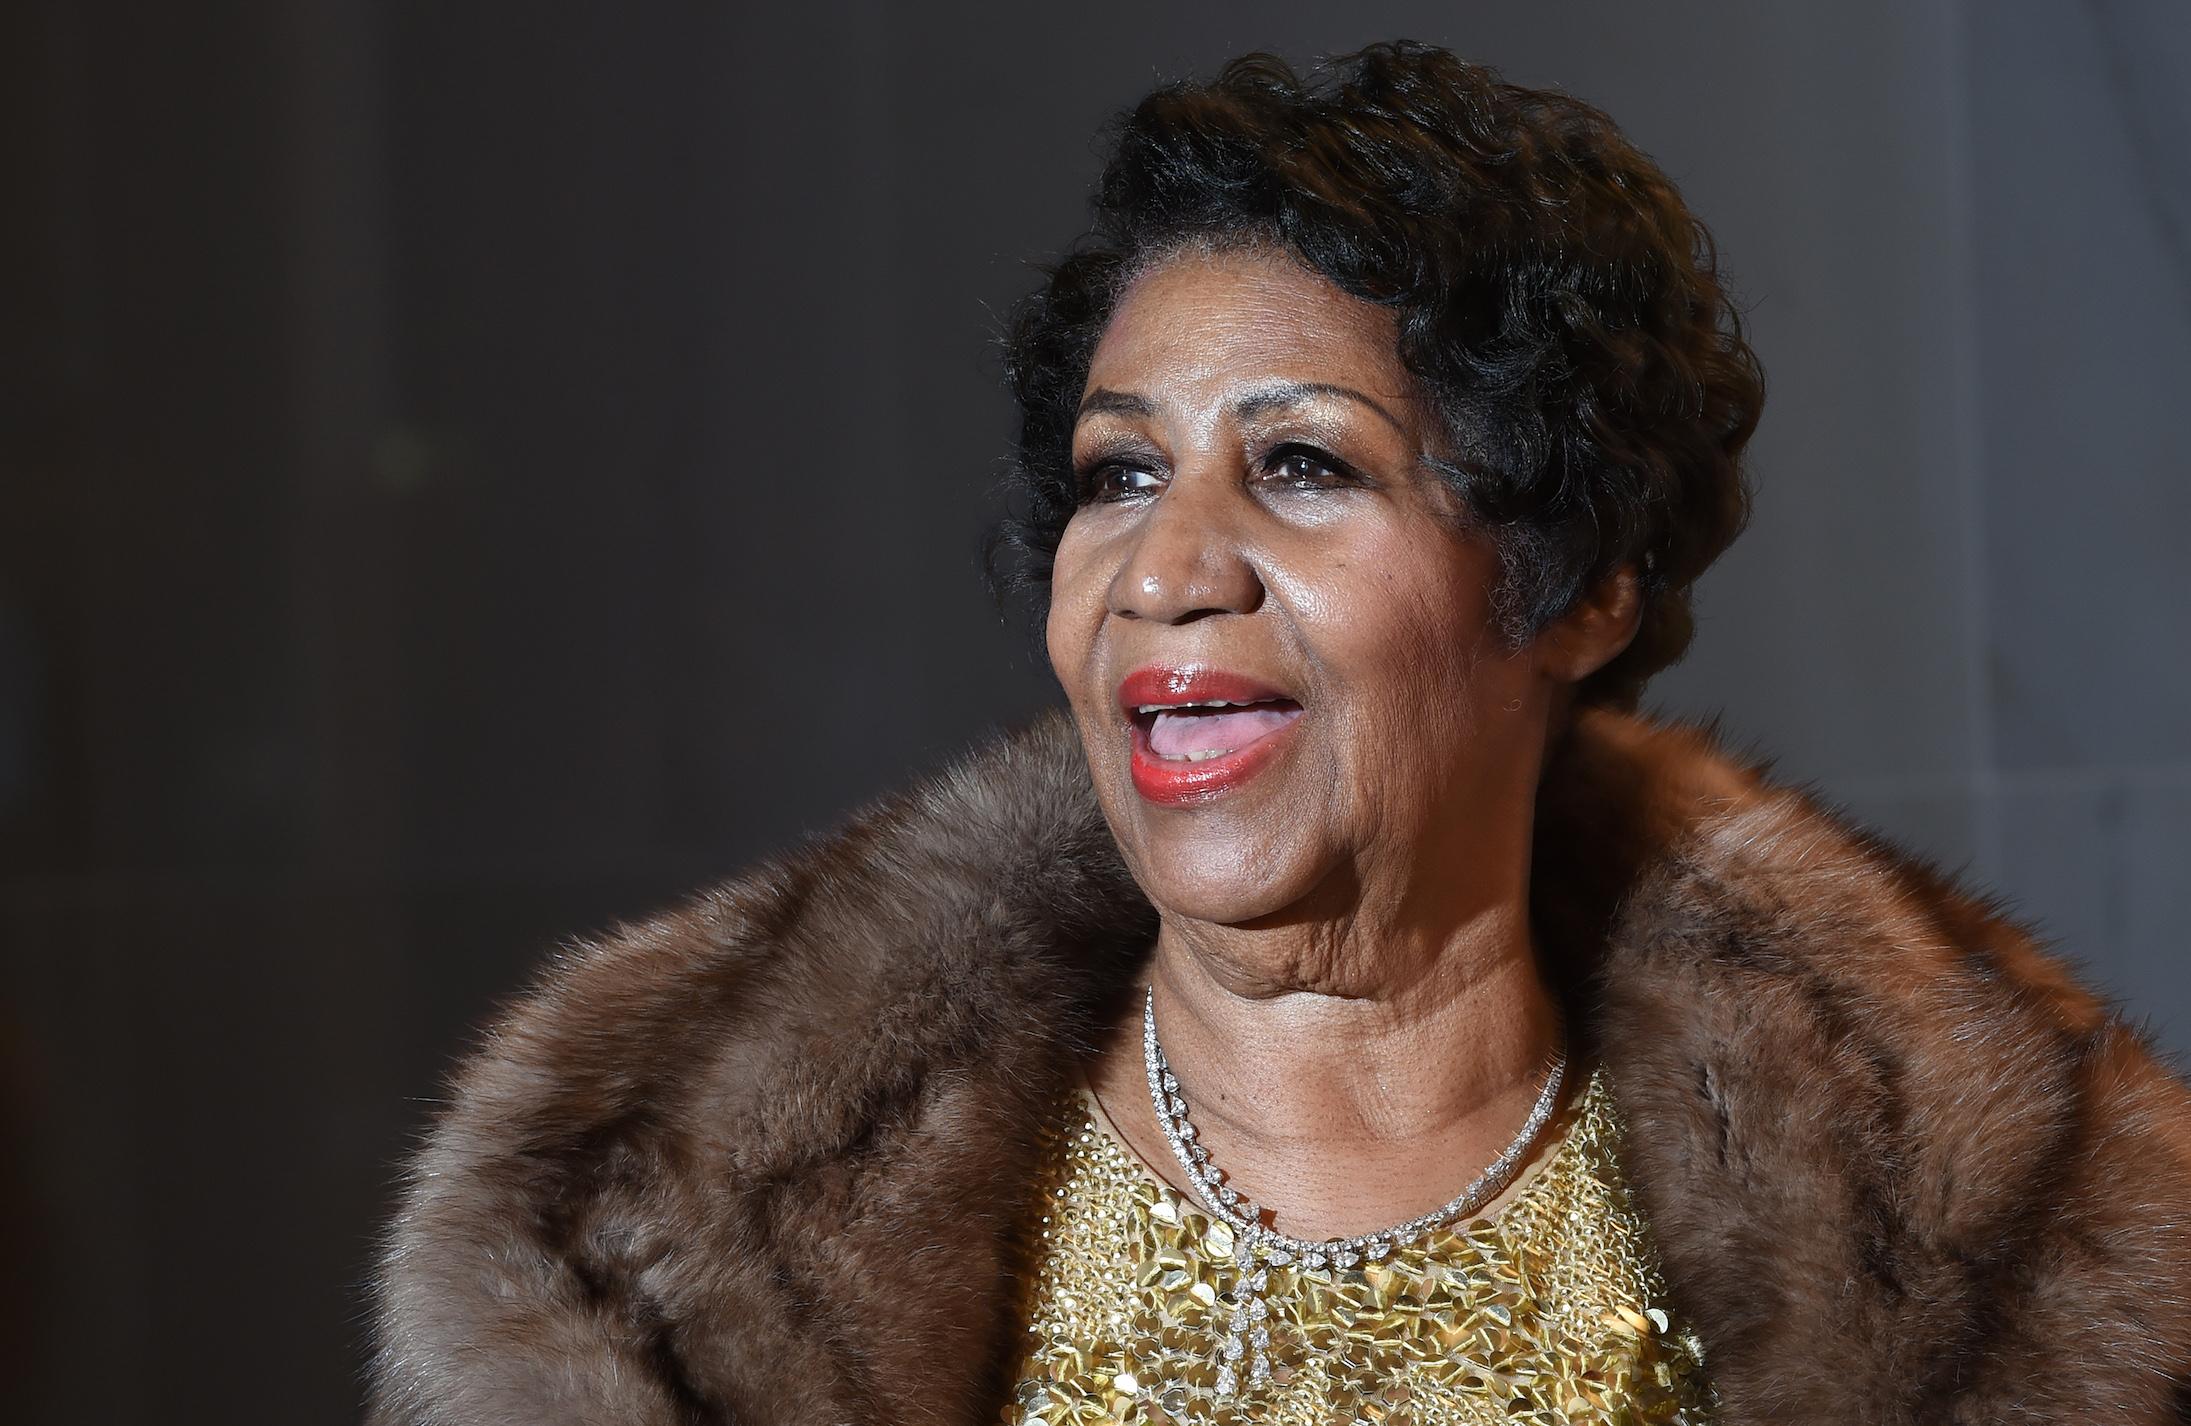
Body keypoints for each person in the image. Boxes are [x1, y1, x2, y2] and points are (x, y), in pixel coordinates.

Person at [362, 42, 2191, 1426]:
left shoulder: (1991, 1256)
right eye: (1118, 472)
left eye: (1302, 463)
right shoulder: (647, 1246)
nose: (1165, 568)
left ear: (1573, 583)